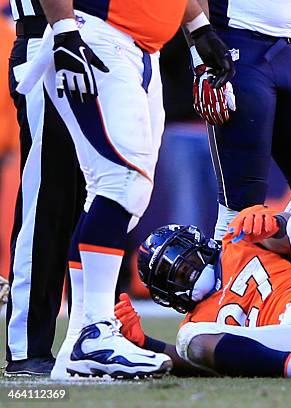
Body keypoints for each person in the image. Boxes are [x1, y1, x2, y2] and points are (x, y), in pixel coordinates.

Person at [15, 0, 235, 379]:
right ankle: (79, 336)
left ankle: (80, 341)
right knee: (109, 185)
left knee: (120, 193)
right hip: (96, 36)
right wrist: (66, 30)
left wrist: (199, 29)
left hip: (141, 49)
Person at [115, 204, 291, 377]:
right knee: (188, 338)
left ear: (198, 243)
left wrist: (277, 223)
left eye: (184, 262)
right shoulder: (196, 322)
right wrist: (145, 344)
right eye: (171, 276)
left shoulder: (237, 239)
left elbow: (290, 238)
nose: (186, 274)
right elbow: (196, 360)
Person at [193, 0, 291, 240]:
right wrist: (199, 55)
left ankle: (274, 267)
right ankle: (228, 274)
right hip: (238, 45)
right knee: (241, 204)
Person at [4, 0, 84, 377]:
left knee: (104, 201)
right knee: (47, 198)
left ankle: (94, 333)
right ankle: (27, 345)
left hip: (107, 44)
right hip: (47, 41)